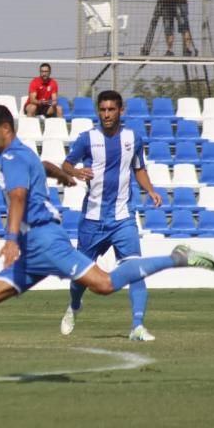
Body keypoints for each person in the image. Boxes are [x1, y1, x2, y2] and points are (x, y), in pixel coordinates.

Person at [0, 104, 214, 382]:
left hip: (44, 241)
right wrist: (60, 173)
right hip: (32, 251)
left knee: (105, 284)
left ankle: (177, 258)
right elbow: (42, 165)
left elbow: (18, 197)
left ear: (5, 128)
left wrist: (11, 240)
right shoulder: (22, 154)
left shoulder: (12, 158)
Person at [60, 90, 165, 341]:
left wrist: (150, 190)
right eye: (103, 110)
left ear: (121, 111)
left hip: (122, 217)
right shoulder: (87, 139)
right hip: (92, 220)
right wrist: (76, 171)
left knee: (135, 268)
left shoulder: (133, 138)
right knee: (80, 276)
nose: (106, 114)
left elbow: (138, 168)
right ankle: (74, 306)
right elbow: (65, 165)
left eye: (111, 110)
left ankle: (137, 326)